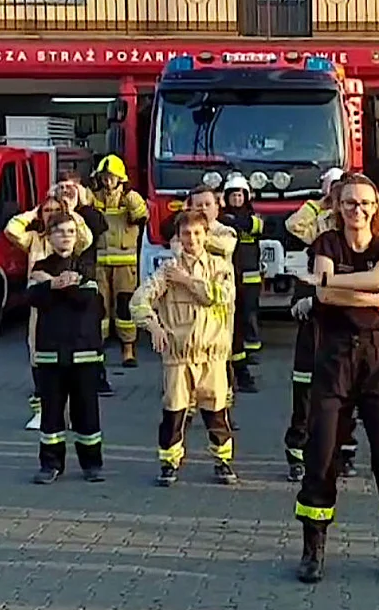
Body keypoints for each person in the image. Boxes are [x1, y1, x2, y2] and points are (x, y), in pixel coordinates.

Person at [293, 174, 379, 585]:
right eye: (349, 204)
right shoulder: (326, 244)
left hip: (376, 358)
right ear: (337, 207)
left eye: (364, 203)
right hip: (333, 355)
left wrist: (329, 282)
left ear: (376, 207)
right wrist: (366, 297)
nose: (357, 210)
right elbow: (328, 299)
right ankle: (313, 548)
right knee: (322, 452)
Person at [132, 210, 239, 485]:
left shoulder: (220, 267)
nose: (191, 239)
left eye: (197, 233)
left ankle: (223, 462)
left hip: (212, 355)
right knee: (174, 414)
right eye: (186, 234)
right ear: (178, 237)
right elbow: (138, 301)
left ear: (206, 236)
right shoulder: (167, 271)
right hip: (178, 357)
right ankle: (169, 464)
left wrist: (186, 281)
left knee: (216, 413)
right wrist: (153, 326)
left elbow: (219, 296)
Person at [284, 168, 361, 482]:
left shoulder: (357, 227)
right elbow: (293, 225)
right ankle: (298, 454)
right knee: (304, 387)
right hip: (314, 308)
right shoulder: (318, 221)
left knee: (344, 388)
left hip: (344, 313)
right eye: (335, 191)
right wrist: (321, 203)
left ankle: (343, 453)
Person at [28, 212, 106, 484]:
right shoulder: (39, 265)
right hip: (50, 352)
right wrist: (55, 284)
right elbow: (35, 298)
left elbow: (86, 299)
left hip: (84, 351)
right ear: (49, 237)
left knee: (86, 412)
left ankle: (91, 464)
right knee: (51, 413)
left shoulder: (86, 265)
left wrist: (53, 284)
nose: (65, 236)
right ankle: (50, 464)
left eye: (70, 231)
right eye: (59, 231)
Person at [5, 196, 94, 430]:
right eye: (47, 210)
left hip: (71, 310)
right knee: (37, 355)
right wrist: (32, 213)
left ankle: (73, 414)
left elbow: (85, 236)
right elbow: (11, 229)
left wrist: (72, 211)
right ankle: (40, 409)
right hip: (42, 305)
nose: (50, 213)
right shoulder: (34, 239)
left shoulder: (73, 240)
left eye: (56, 209)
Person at [52, 170, 113, 396]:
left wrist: (82, 204)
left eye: (71, 188)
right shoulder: (52, 213)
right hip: (56, 278)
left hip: (85, 277)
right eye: (63, 188)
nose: (67, 193)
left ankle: (97, 377)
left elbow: (99, 227)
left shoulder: (89, 213)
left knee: (90, 330)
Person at [90, 154, 149, 368]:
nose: (107, 182)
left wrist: (131, 198)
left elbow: (142, 217)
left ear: (120, 178)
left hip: (125, 264)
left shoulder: (130, 198)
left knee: (125, 306)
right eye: (104, 177)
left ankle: (128, 349)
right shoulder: (93, 198)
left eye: (111, 177)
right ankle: (99, 346)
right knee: (100, 306)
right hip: (100, 263)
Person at [219, 174, 263, 392]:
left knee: (249, 314)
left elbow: (254, 226)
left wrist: (235, 222)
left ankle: (250, 352)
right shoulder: (221, 217)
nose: (237, 198)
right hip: (230, 278)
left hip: (250, 276)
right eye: (233, 195)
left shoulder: (252, 216)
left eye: (240, 194)